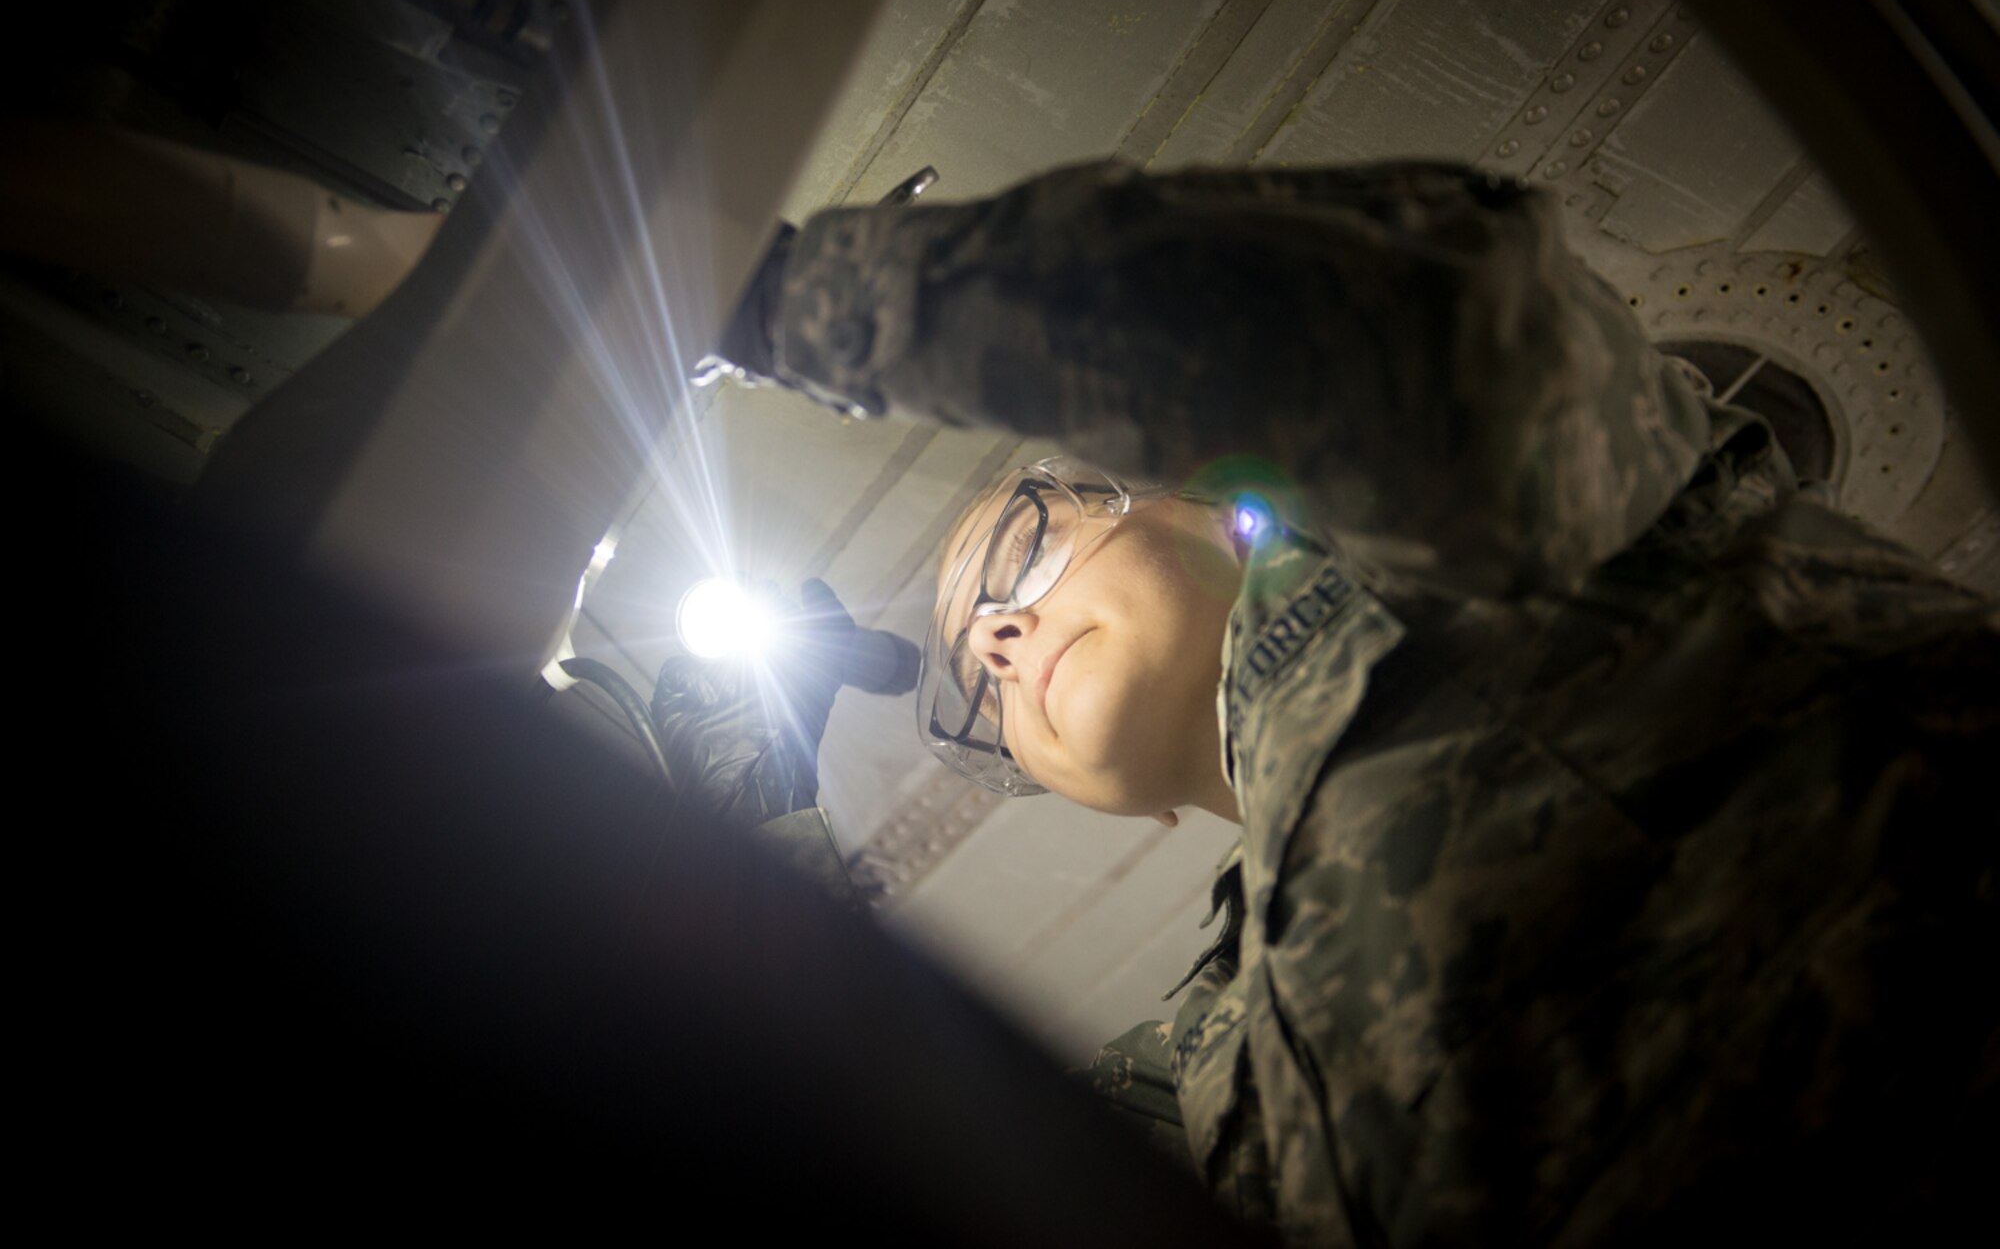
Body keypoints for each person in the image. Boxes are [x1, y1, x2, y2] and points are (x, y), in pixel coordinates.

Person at [692, 159, 1999, 1243]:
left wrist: (754, 292)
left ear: (1201, 503)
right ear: (1123, 814)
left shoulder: (1469, 535)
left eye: (1023, 550)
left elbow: (1427, 311)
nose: (998, 638)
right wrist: (732, 809)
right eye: (978, 680)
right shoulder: (1203, 1067)